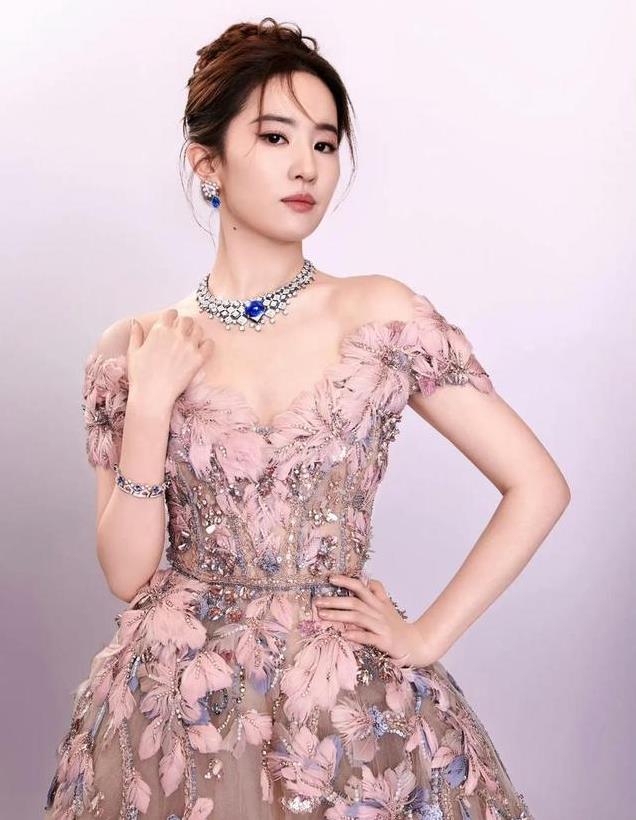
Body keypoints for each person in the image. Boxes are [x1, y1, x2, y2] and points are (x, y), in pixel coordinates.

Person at [44, 17, 569, 820]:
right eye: (275, 137)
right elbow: (127, 575)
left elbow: (538, 485)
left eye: (325, 144)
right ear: (208, 162)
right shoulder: (137, 345)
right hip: (177, 713)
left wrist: (426, 637)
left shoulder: (377, 313)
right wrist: (149, 405)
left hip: (344, 710)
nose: (307, 167)